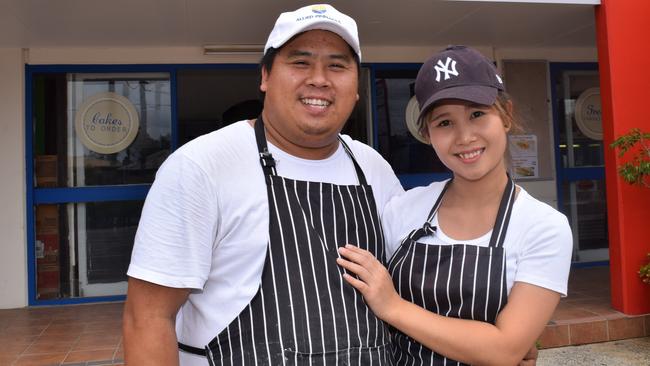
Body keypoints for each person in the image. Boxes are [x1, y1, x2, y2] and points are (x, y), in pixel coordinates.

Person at [122, 4, 404, 366]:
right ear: (266, 76)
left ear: (356, 87)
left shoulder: (372, 166)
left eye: (337, 65)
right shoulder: (201, 166)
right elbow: (147, 318)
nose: (319, 79)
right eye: (300, 62)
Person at [337, 45, 572, 366]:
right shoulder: (403, 210)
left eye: (477, 114)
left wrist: (393, 306)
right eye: (444, 123)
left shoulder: (543, 227)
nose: (464, 136)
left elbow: (505, 350)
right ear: (427, 134)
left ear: (506, 115)